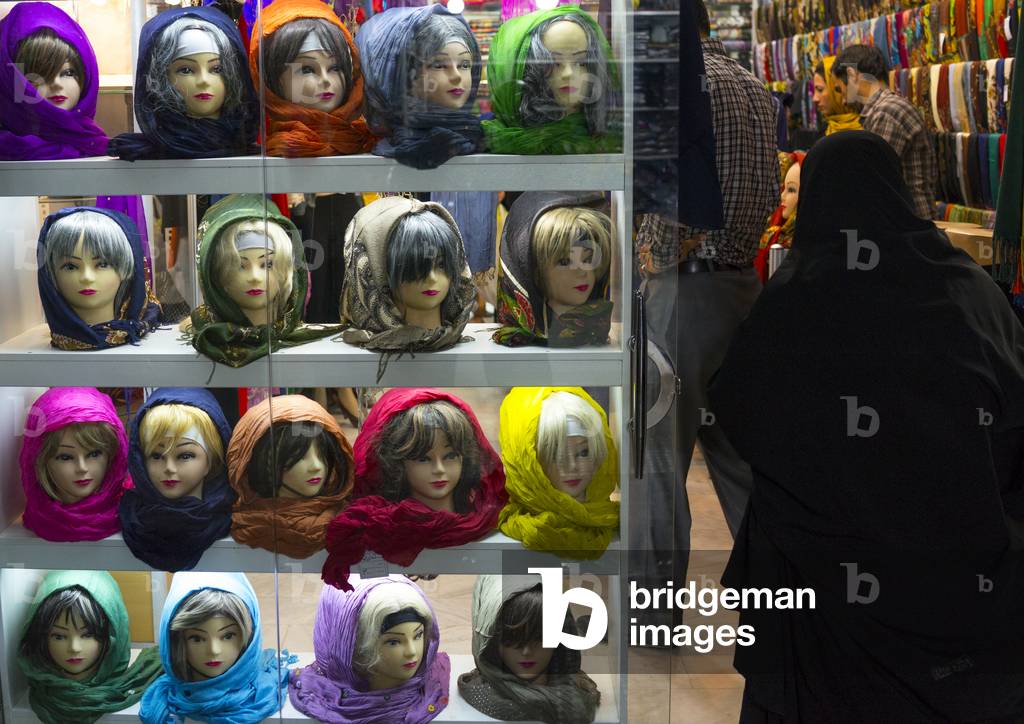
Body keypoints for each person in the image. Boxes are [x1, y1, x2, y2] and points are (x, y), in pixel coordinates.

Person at [710, 131, 1024, 722]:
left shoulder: (794, 301)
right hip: (953, 594)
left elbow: (738, 409)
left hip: (818, 604)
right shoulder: (966, 289)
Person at [632, 0, 778, 607]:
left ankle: (657, 604)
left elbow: (672, 199)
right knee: (739, 453)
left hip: (683, 292)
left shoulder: (681, 85)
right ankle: (771, 596)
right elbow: (768, 188)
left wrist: (650, 256)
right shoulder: (753, 87)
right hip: (742, 286)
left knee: (660, 453)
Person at [832, 44, 937, 219]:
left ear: (852, 74)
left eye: (839, 88)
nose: (842, 98)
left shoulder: (887, 112)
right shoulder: (884, 109)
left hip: (910, 229)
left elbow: (871, 182)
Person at [811, 56, 861, 136]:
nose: (814, 98)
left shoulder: (870, 124)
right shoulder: (828, 128)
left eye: (820, 89)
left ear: (838, 90)